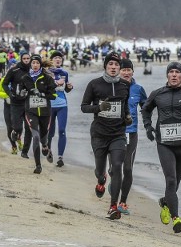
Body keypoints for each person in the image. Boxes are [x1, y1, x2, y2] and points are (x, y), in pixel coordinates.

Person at [141, 61, 181, 233]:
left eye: (177, 72)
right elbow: (145, 110)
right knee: (170, 179)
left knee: (175, 182)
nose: (174, 75)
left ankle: (165, 201)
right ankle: (176, 218)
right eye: (171, 72)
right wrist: (148, 127)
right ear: (167, 75)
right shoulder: (158, 94)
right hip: (164, 143)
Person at [80, 52, 132, 219]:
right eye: (110, 64)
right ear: (105, 66)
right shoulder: (95, 84)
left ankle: (113, 206)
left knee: (117, 167)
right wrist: (99, 108)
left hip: (118, 134)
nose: (113, 67)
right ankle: (101, 180)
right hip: (99, 134)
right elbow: (84, 107)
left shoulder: (125, 85)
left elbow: (124, 107)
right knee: (100, 171)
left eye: (116, 65)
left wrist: (128, 116)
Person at [114, 58, 147, 215]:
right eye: (123, 70)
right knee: (115, 169)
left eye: (129, 70)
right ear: (119, 71)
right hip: (113, 132)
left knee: (127, 168)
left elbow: (146, 107)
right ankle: (112, 183)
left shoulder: (138, 89)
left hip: (131, 133)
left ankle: (123, 202)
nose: (126, 72)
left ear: (133, 72)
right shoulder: (112, 87)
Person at [17, 54, 57, 174]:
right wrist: (22, 93)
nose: (35, 65)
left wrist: (42, 94)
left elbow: (53, 95)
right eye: (33, 63)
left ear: (40, 65)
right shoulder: (25, 78)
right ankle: (38, 165)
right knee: (35, 136)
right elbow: (19, 93)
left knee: (43, 138)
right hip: (31, 111)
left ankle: (45, 146)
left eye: (37, 63)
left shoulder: (47, 78)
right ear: (30, 64)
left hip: (45, 112)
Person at [1, 51, 32, 157]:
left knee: (29, 128)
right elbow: (5, 83)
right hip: (15, 103)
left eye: (28, 59)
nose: (27, 61)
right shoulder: (14, 70)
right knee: (17, 127)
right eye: (24, 59)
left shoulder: (33, 70)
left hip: (29, 103)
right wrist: (10, 94)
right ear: (21, 59)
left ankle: (25, 152)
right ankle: (16, 135)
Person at [46, 50, 73, 167]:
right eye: (55, 58)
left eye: (60, 58)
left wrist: (69, 87)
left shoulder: (64, 73)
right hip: (50, 105)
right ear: (51, 60)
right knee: (50, 131)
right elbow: (45, 88)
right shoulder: (46, 73)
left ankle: (60, 157)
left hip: (62, 105)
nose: (58, 60)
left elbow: (66, 89)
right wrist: (56, 82)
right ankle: (49, 151)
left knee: (62, 130)